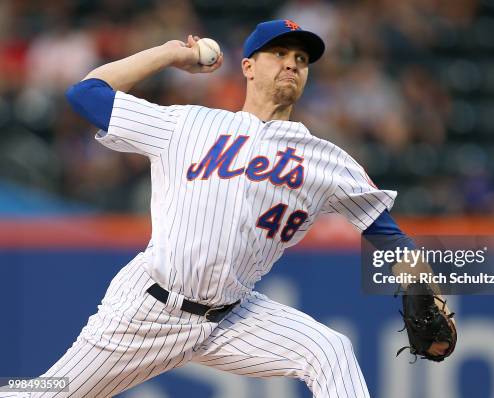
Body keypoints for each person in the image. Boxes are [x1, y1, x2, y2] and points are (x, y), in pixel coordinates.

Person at [11, 19, 451, 398]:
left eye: (301, 59)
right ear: (248, 66)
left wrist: (425, 290)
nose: (292, 64)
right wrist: (168, 54)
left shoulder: (326, 160)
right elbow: (86, 93)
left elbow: (389, 236)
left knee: (329, 351)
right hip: (149, 309)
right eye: (278, 53)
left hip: (233, 316)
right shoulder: (187, 124)